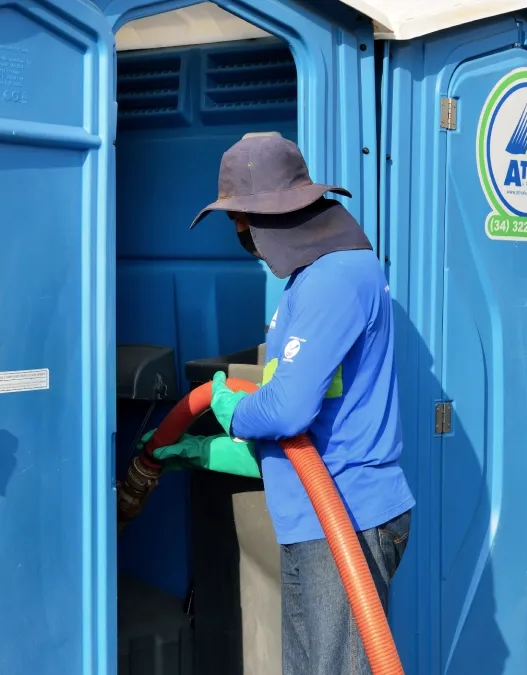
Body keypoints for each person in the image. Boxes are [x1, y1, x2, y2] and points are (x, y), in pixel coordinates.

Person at [149, 134, 415, 675]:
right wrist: (214, 451)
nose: (239, 233)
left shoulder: (334, 278)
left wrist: (232, 411)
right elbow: (306, 429)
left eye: (239, 219)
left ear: (267, 213)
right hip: (314, 520)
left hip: (345, 517)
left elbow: (288, 410)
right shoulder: (308, 278)